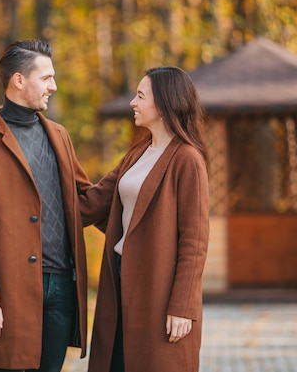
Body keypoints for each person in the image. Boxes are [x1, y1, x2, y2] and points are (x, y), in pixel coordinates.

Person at [0, 40, 92, 372]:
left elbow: (84, 201)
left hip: (61, 287)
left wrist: (132, 171)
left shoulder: (59, 135)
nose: (53, 86)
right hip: (9, 289)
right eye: (46, 78)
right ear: (19, 80)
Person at [80, 66, 210, 372]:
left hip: (160, 290)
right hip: (119, 280)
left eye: (140, 96)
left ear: (164, 105)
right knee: (117, 363)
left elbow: (195, 241)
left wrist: (182, 307)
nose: (132, 103)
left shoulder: (187, 159)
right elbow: (92, 203)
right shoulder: (136, 154)